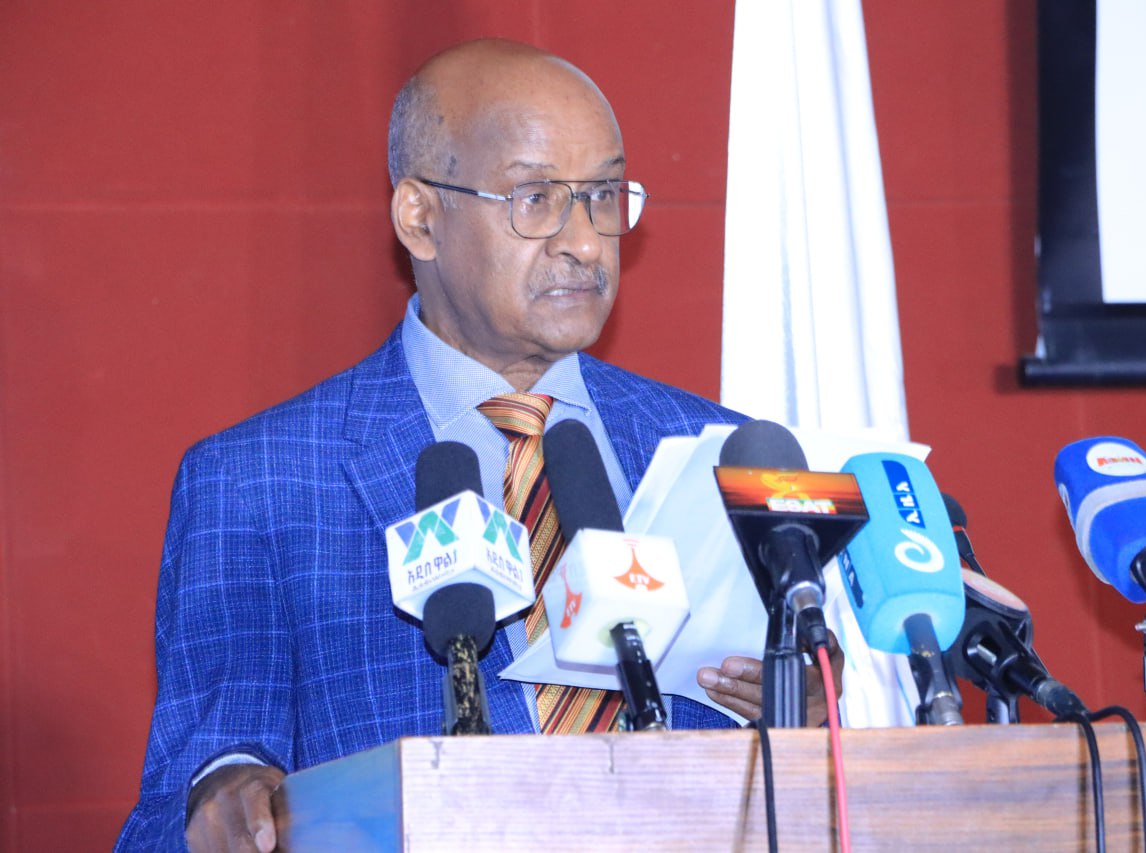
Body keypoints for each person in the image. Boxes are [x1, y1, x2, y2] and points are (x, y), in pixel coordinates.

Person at [115, 39, 843, 853]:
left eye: (602, 195)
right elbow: (193, 795)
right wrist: (223, 794)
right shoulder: (258, 482)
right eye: (537, 198)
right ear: (420, 217)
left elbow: (815, 782)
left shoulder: (722, 454)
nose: (585, 242)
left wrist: (804, 706)